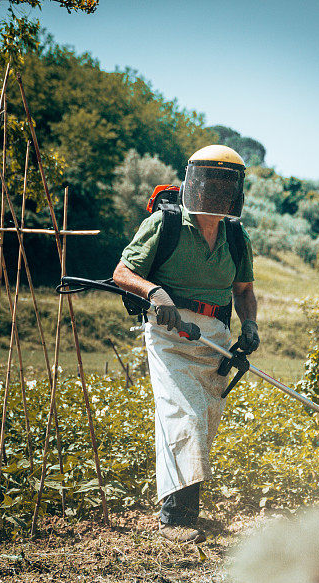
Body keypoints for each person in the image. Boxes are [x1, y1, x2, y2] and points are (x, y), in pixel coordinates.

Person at [113, 145, 259, 544]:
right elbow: (122, 272)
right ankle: (175, 520)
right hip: (169, 333)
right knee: (184, 416)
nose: (215, 192)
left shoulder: (235, 235)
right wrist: (155, 293)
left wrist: (250, 325)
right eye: (209, 182)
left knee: (205, 422)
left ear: (235, 191)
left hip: (214, 336)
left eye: (224, 184)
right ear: (193, 183)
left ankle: (186, 510)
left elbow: (244, 290)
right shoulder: (166, 224)